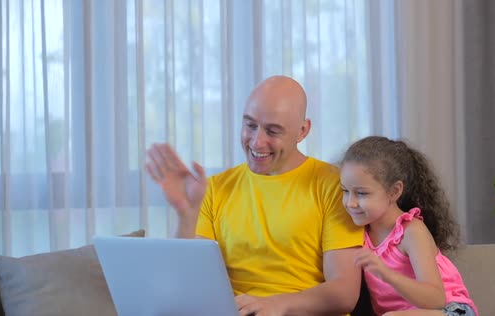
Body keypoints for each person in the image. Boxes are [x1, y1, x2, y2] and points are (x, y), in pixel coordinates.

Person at [145, 75, 364, 316]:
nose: (257, 142)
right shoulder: (216, 188)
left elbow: (344, 293)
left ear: (302, 131)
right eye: (250, 125)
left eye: (273, 131)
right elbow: (190, 283)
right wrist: (186, 213)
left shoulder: (335, 186)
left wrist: (276, 305)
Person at [339, 136, 478, 316]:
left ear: (394, 191)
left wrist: (386, 274)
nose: (350, 203)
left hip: (451, 310)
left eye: (362, 193)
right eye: (345, 191)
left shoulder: (411, 232)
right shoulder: (358, 233)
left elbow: (436, 299)